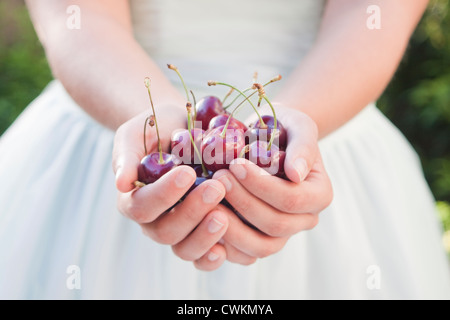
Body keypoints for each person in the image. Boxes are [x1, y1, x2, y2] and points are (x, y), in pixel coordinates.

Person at [0, 0, 448, 299]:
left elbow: (373, 18)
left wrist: (291, 120)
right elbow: (78, 18)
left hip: (318, 119)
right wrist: (155, 117)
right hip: (120, 109)